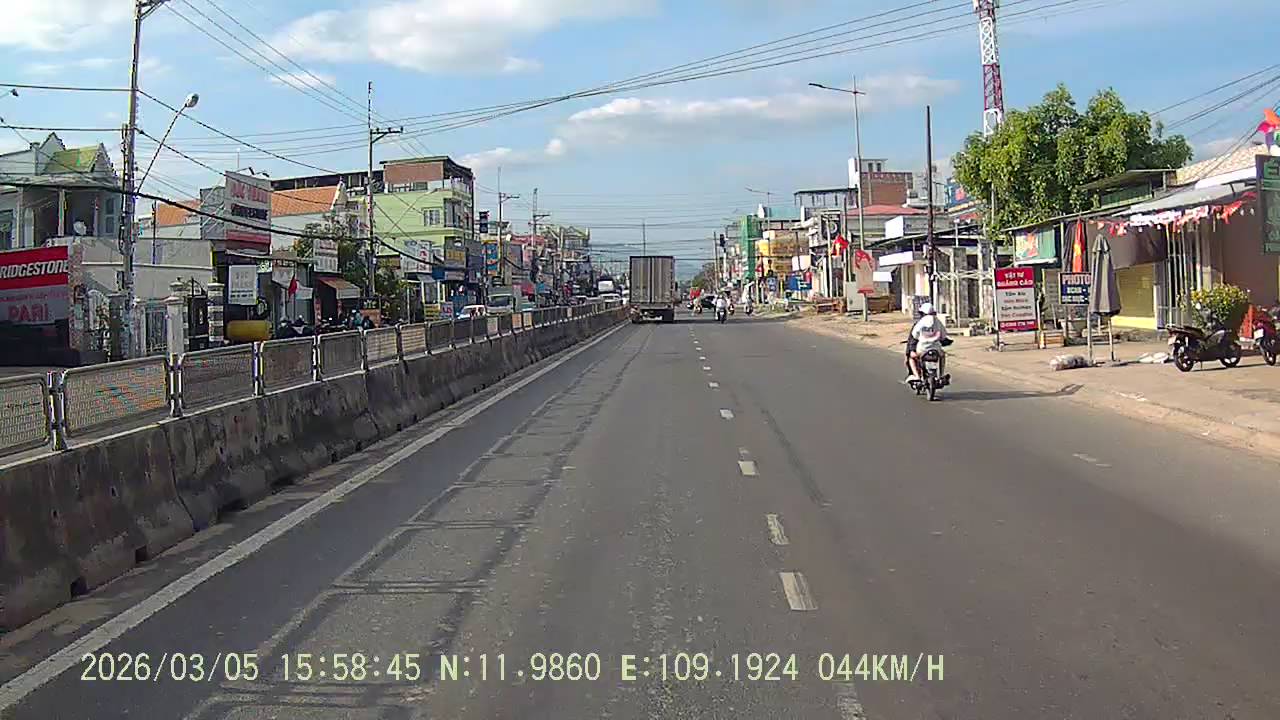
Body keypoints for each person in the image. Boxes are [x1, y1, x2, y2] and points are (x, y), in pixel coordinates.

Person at [908, 302, 948, 382]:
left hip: (922, 349)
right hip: (936, 348)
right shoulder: (937, 321)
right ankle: (941, 375)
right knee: (942, 356)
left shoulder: (921, 322)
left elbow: (914, 335)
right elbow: (943, 335)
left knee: (912, 358)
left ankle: (917, 376)